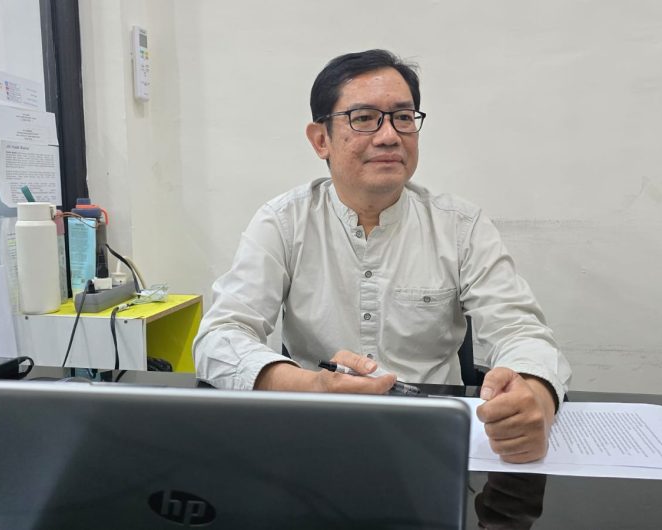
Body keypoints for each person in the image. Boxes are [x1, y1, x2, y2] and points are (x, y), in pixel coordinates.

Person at [193, 49, 572, 463]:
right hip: (315, 434)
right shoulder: (283, 222)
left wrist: (534, 397)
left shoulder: (461, 226)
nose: (389, 135)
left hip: (433, 442)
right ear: (321, 140)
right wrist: (312, 386)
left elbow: (522, 332)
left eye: (403, 117)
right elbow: (219, 337)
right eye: (364, 118)